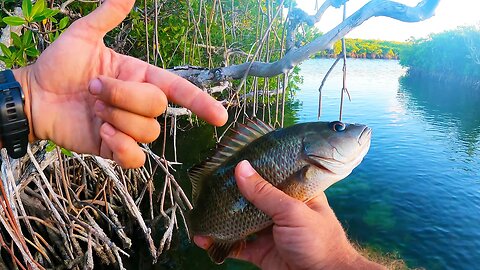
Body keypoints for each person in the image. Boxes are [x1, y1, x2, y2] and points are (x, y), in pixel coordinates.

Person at [5, 0, 383, 269]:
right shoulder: (304, 158)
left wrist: (31, 101)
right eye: (337, 127)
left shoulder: (306, 161)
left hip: (226, 225)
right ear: (313, 141)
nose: (348, 130)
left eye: (341, 127)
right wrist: (339, 261)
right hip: (221, 223)